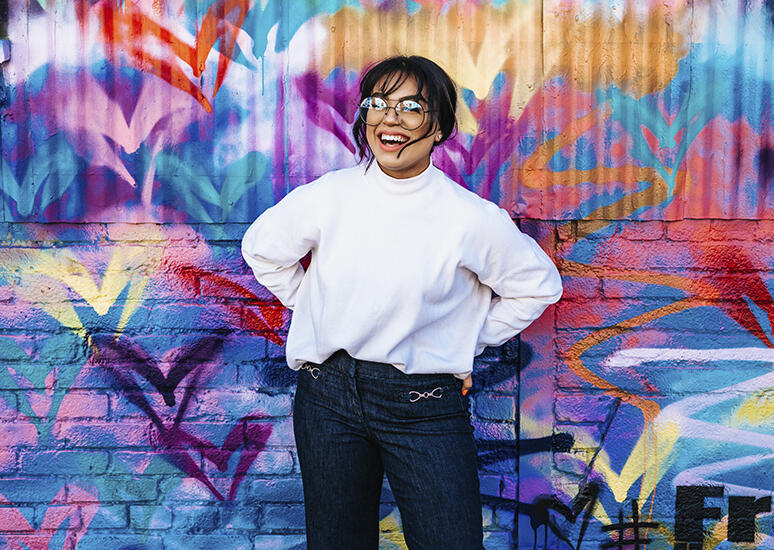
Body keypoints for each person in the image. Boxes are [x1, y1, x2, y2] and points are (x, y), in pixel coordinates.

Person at [241, 55, 562, 550]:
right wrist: (312, 306)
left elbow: (538, 286)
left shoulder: (468, 217)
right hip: (327, 399)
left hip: (424, 405)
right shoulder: (331, 196)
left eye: (412, 107)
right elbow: (263, 249)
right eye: (378, 104)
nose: (390, 118)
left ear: (439, 128)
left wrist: (468, 340)